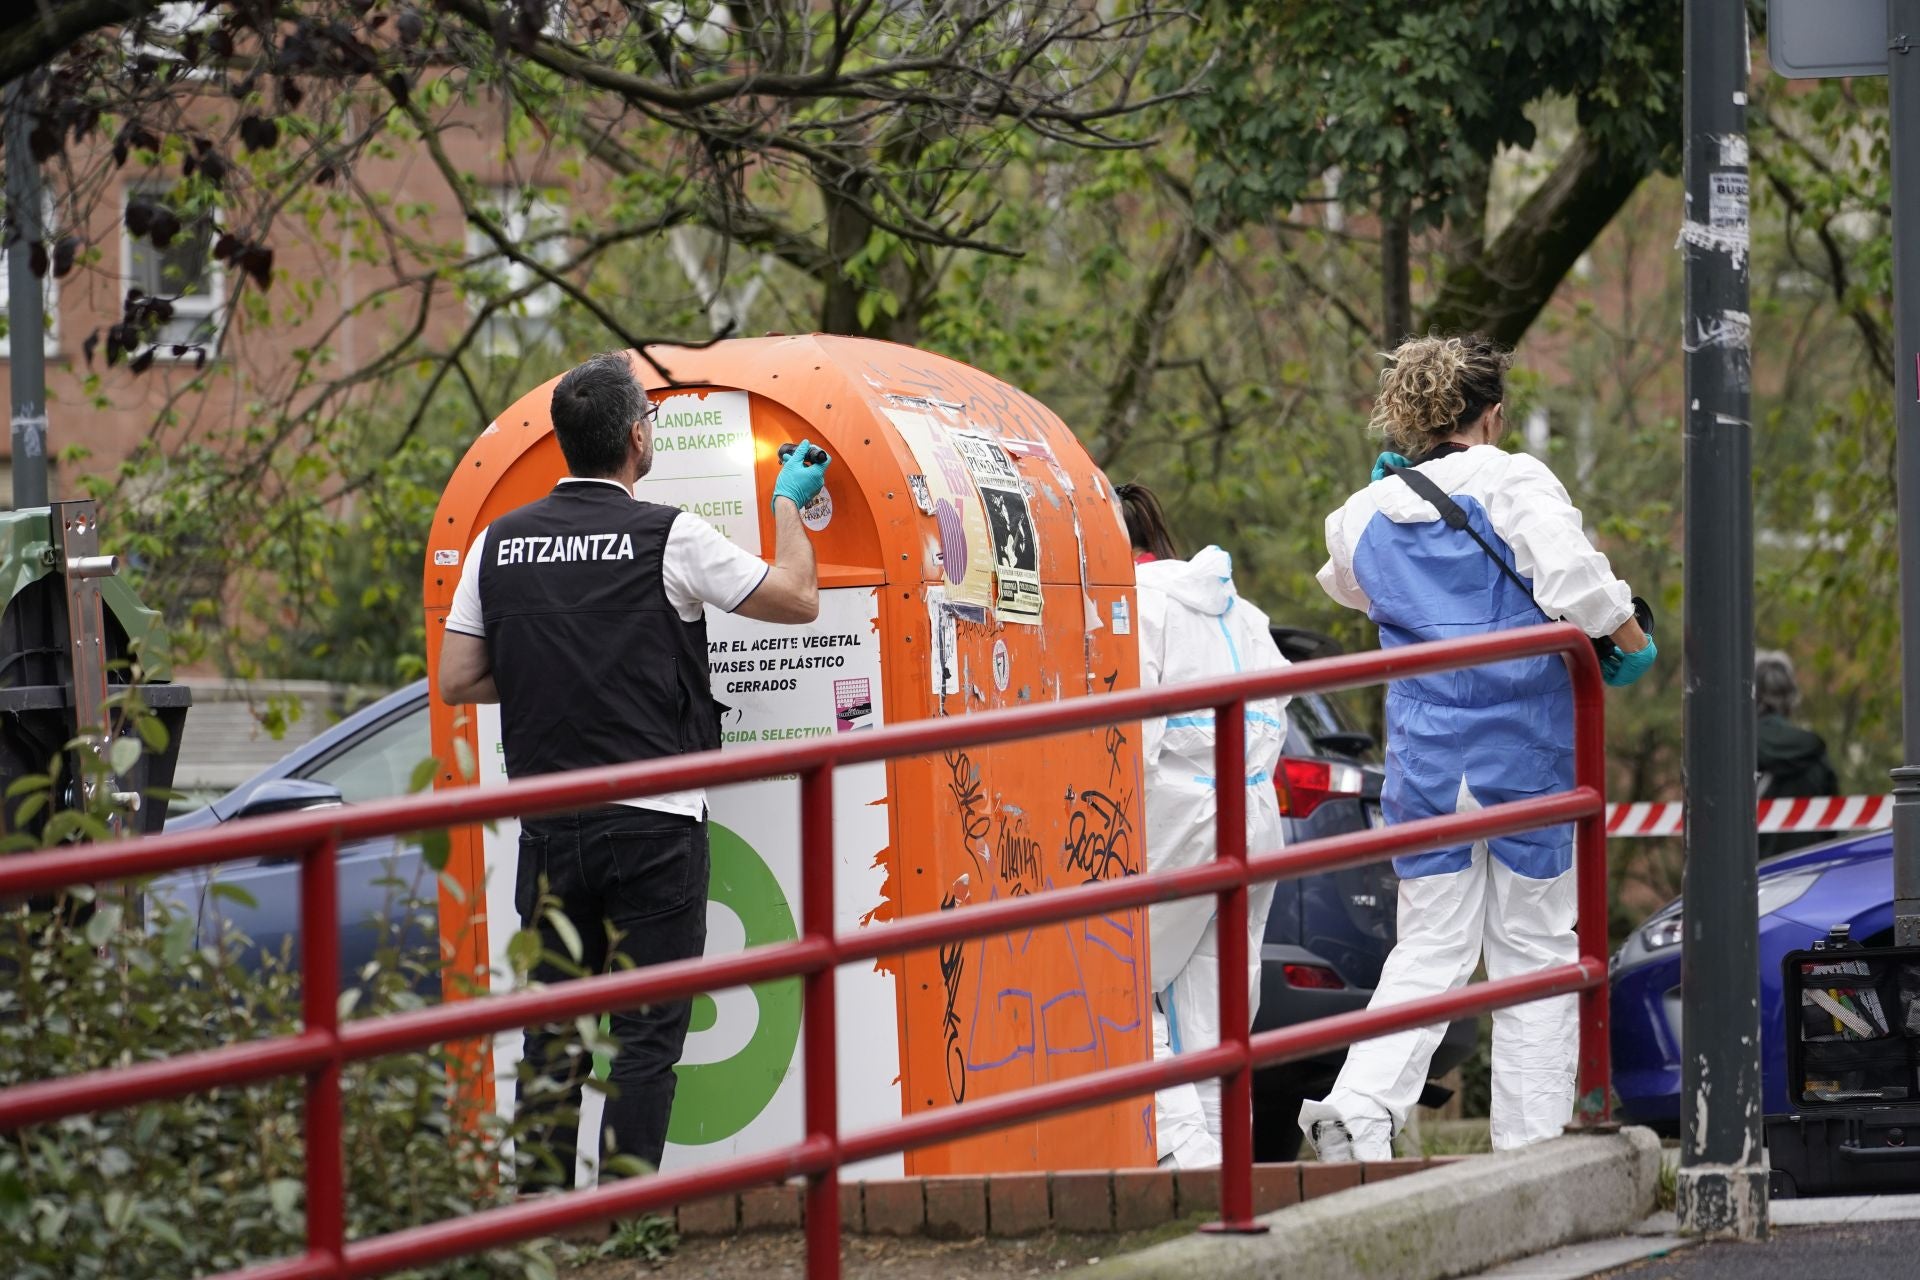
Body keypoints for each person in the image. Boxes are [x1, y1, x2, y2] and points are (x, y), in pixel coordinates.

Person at [437, 351, 829, 1189]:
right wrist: (788, 507)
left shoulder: (496, 544)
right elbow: (797, 599)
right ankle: (625, 1223)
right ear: (637, 439)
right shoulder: (670, 534)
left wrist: (561, 670)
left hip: (549, 829)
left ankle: (541, 1223)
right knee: (647, 1034)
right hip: (655, 824)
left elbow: (459, 679)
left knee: (554, 1034)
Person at [1301, 334, 1656, 1161]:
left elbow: (1347, 585)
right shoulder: (1514, 477)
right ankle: (1529, 1148)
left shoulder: (1360, 513)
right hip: (1526, 755)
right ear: (1491, 414)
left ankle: (1356, 1108)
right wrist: (1629, 637)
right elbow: (1574, 584)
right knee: (1534, 949)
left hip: (1428, 758)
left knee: (1432, 944)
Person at [1118, 482, 1291, 1167]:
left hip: (1176, 819)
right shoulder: (1241, 611)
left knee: (1117, 984)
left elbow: (1133, 737)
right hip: (1251, 816)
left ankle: (1185, 1160)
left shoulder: (1137, 606)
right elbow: (1276, 710)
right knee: (1217, 1021)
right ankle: (1225, 1176)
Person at [1756, 649, 1839, 857]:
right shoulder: (1816, 756)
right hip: (1808, 877)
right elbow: (1831, 830)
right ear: (1792, 696)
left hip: (1746, 879)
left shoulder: (1733, 753)